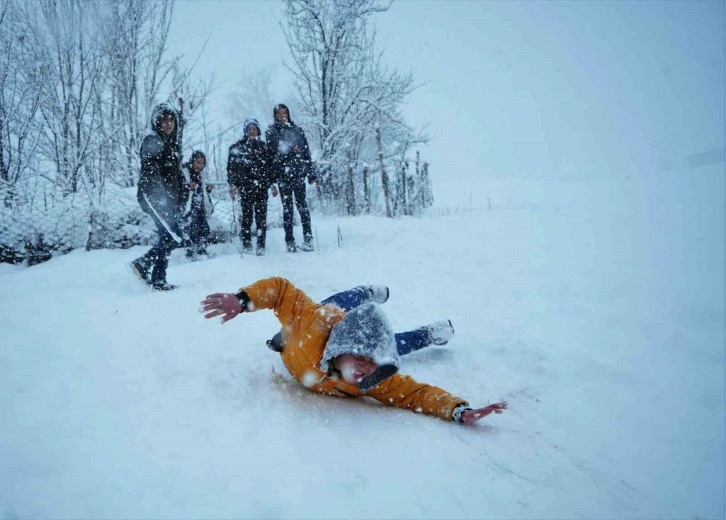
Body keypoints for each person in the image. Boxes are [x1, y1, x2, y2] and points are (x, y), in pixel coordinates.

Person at [201, 277, 508, 425]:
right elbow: (280, 290)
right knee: (336, 303)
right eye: (361, 358)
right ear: (344, 346)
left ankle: (429, 334)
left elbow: (415, 394)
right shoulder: (310, 323)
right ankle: (368, 292)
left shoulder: (372, 377)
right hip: (320, 325)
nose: (364, 369)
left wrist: (457, 409)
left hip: (344, 338)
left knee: (398, 345)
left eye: (372, 365)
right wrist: (243, 299)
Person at [131, 102, 185, 291]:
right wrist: (161, 199)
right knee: (173, 235)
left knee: (170, 236)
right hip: (154, 198)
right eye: (164, 119)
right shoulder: (153, 140)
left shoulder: (170, 144)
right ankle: (149, 269)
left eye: (172, 120)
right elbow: (151, 174)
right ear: (157, 122)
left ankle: (152, 273)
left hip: (167, 201)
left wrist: (180, 200)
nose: (169, 123)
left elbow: (176, 177)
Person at [265, 104, 316, 253]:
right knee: (288, 209)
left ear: (288, 113)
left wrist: (311, 172)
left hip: (298, 173)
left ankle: (308, 239)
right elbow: (273, 154)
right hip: (283, 175)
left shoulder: (297, 130)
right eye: (279, 113)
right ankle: (290, 241)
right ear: (275, 115)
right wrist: (289, 153)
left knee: (302, 206)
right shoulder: (272, 131)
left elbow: (306, 151)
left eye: (284, 112)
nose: (282, 115)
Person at [227, 119, 275, 255]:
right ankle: (246, 243)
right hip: (245, 188)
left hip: (261, 188)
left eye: (254, 128)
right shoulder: (237, 148)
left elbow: (271, 168)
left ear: (258, 130)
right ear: (245, 131)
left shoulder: (264, 147)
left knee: (261, 218)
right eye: (249, 129)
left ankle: (261, 245)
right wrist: (233, 185)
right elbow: (232, 169)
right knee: (246, 217)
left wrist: (272, 184)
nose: (252, 131)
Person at [181, 150, 214, 260]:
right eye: (197, 162)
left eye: (202, 163)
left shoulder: (201, 175)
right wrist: (188, 188)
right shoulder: (183, 172)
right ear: (192, 161)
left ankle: (202, 247)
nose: (199, 165)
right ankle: (189, 249)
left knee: (204, 226)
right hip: (186, 206)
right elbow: (177, 189)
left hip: (198, 205)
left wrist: (207, 190)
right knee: (191, 223)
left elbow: (199, 192)